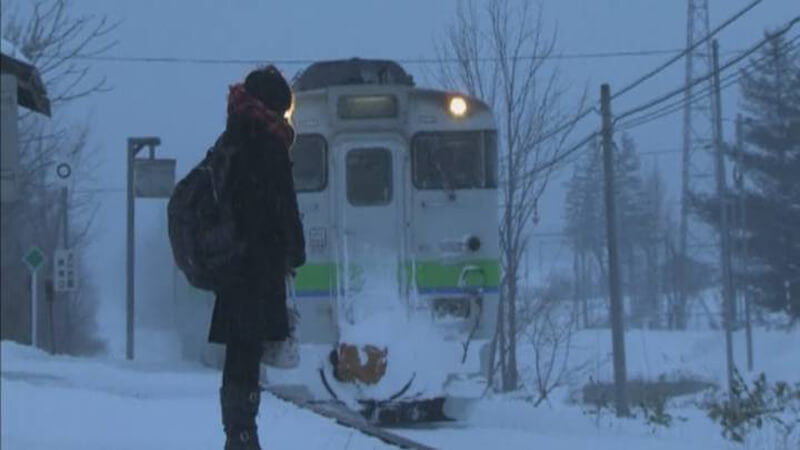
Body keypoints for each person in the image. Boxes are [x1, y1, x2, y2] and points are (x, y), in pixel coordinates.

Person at [206, 66, 305, 450]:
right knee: (247, 356)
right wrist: (295, 250)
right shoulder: (266, 144)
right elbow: (282, 206)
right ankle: (244, 437)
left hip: (233, 267)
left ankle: (238, 435)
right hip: (257, 267)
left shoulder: (232, 136)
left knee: (240, 356)